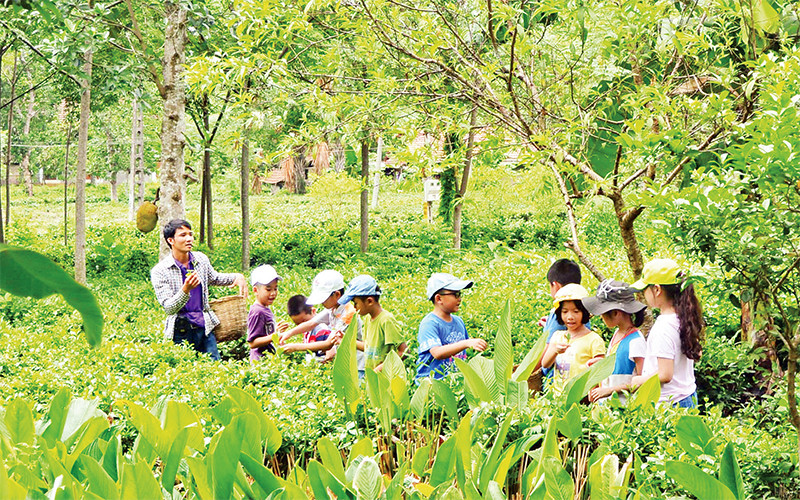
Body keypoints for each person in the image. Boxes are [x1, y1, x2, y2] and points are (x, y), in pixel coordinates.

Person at [150, 219, 247, 361]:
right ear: (171, 240)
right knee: (185, 368)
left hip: (205, 326)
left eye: (190, 234)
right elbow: (169, 308)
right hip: (180, 330)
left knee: (214, 366)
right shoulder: (160, 271)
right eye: (183, 235)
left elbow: (214, 278)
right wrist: (185, 290)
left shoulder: (200, 260)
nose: (189, 239)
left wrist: (236, 277)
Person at [629, 259, 704, 408]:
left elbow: (665, 374)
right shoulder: (683, 317)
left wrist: (639, 380)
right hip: (687, 395)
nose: (643, 294)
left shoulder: (663, 327)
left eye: (645, 289)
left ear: (657, 290)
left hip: (671, 403)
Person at [279, 270, 366, 375]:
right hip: (344, 363)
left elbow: (328, 344)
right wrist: (288, 333)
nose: (321, 302)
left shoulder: (348, 313)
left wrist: (295, 347)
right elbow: (312, 323)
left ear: (337, 294)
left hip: (357, 365)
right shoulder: (333, 308)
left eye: (324, 299)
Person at [584, 279, 647, 403]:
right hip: (609, 406)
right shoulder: (617, 333)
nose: (601, 317)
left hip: (625, 407)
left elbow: (642, 381)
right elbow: (620, 364)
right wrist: (602, 363)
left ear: (616, 313)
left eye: (602, 313)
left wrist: (609, 390)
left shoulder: (635, 341)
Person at [416, 273, 487, 380]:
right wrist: (466, 343)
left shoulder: (458, 321)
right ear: (439, 298)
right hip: (433, 384)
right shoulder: (429, 323)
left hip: (455, 382)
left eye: (460, 294)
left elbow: (464, 353)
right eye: (455, 294)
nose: (460, 299)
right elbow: (437, 353)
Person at [339, 275, 407, 372]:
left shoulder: (386, 320)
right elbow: (369, 347)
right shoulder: (368, 319)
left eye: (356, 303)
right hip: (372, 377)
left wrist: (379, 369)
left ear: (369, 301)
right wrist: (346, 340)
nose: (354, 307)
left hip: (386, 378)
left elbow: (403, 352)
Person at [534, 259, 589, 378]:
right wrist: (549, 324)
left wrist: (526, 372)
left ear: (555, 285)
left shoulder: (557, 311)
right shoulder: (582, 307)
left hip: (558, 377)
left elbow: (547, 352)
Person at [540, 284, 605, 384]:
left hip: (582, 393)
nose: (570, 317)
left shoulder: (594, 340)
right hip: (558, 393)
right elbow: (545, 364)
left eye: (576, 311)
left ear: (584, 312)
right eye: (565, 312)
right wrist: (554, 350)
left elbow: (601, 371)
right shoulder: (557, 336)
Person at [246, 265, 289, 362]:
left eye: (275, 288)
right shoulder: (257, 311)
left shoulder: (265, 308)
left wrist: (275, 330)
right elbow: (252, 343)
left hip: (268, 359)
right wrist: (275, 335)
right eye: (268, 289)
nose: (273, 293)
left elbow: (265, 333)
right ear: (255, 290)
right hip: (260, 362)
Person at [281, 294, 338, 361]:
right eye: (298, 324)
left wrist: (295, 347)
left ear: (313, 311)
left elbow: (330, 354)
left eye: (304, 321)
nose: (302, 325)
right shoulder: (307, 331)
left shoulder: (322, 330)